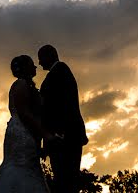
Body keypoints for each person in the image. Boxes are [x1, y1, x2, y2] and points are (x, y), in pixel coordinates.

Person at [0, 55, 51, 193]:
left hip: (25, 131)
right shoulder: (21, 84)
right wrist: (44, 133)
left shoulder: (26, 85)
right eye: (31, 64)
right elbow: (24, 113)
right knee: (20, 168)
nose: (35, 66)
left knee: (27, 167)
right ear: (25, 68)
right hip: (22, 133)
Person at [38, 45, 88, 193]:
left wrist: (56, 135)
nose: (39, 63)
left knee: (65, 182)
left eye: (40, 58)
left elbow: (59, 107)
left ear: (49, 56)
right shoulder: (58, 72)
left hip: (65, 138)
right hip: (63, 138)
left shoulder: (59, 72)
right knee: (63, 182)